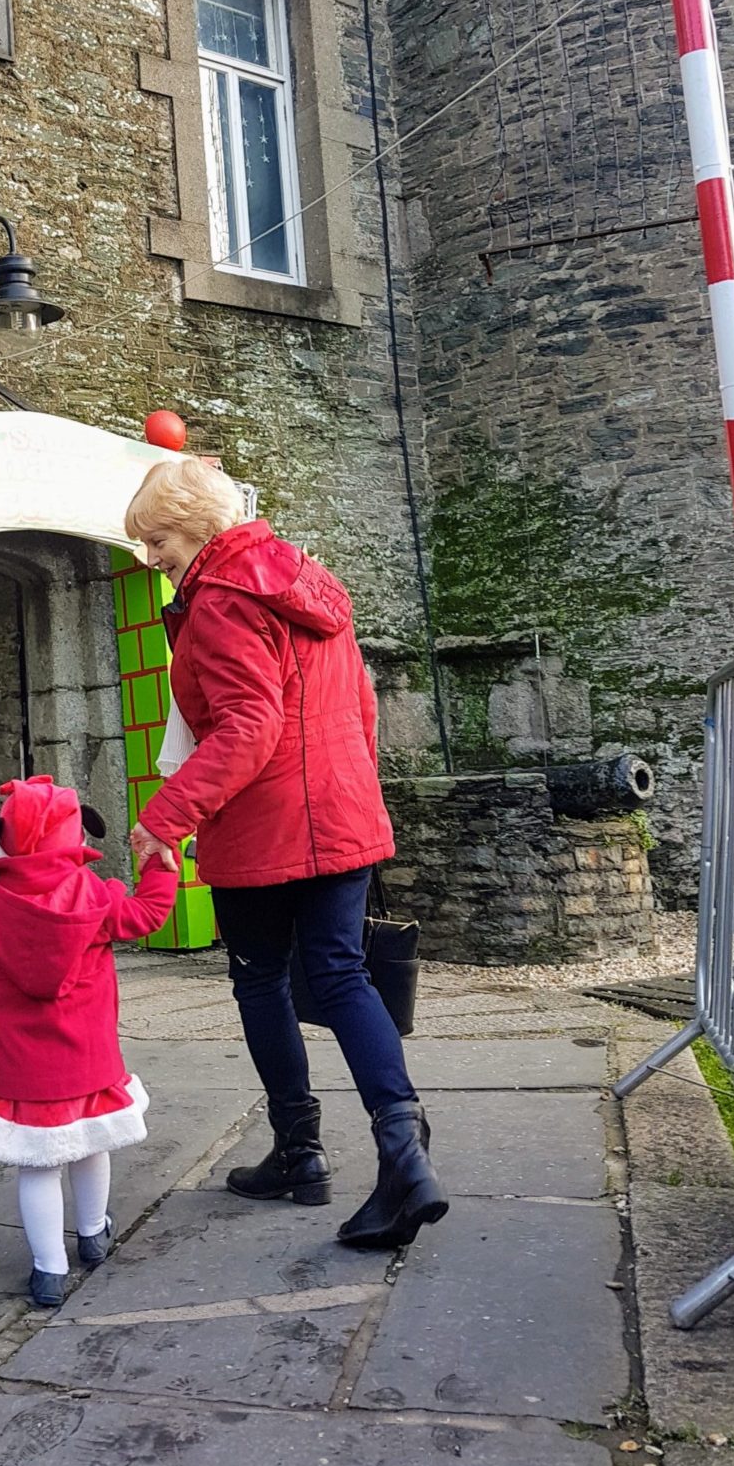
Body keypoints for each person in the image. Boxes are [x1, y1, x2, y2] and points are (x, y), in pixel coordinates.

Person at [125, 457, 448, 1252]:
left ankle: (300, 1152)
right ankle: (403, 1149)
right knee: (341, 976)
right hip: (339, 810)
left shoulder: (220, 600)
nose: (150, 556)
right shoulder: (307, 580)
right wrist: (355, 795)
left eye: (158, 539)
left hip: (263, 825)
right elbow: (362, 703)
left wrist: (165, 818)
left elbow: (248, 725)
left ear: (198, 526)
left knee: (261, 979)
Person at [0, 774, 178, 1307]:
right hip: (89, 1057)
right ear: (76, 835)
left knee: (38, 1164)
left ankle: (49, 1270)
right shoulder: (95, 896)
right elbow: (148, 914)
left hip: (25, 1067)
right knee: (90, 1144)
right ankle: (93, 1233)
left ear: (3, 841)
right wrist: (159, 867)